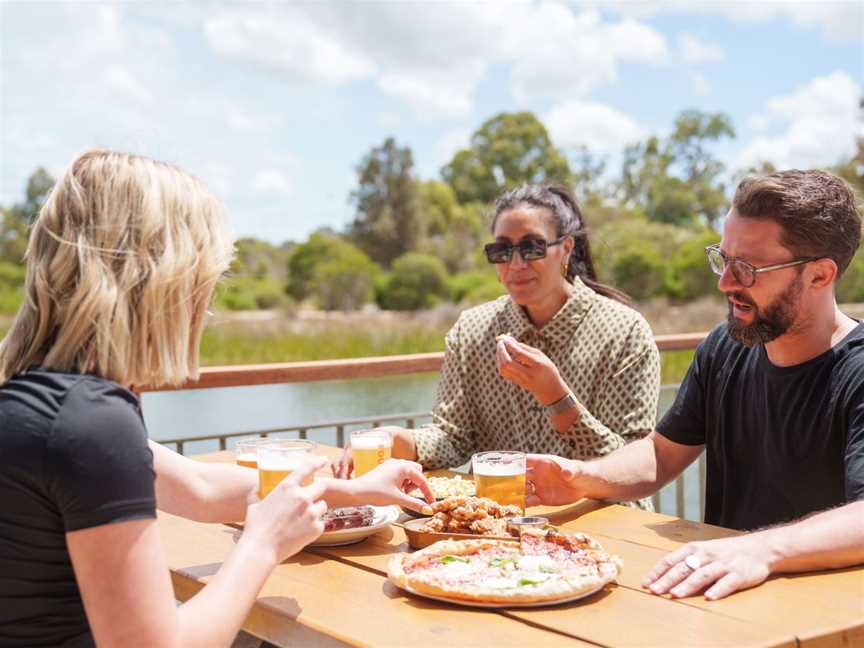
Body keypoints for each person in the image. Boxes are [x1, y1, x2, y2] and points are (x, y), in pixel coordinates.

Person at [0, 149, 433, 647]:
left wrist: (353, 492)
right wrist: (262, 545)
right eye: (206, 281)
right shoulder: (92, 423)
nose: (204, 308)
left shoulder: (37, 397)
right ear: (165, 282)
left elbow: (199, 487)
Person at [526, 169, 864, 600]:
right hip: (720, 597)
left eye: (748, 268)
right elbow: (660, 453)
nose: (725, 282)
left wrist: (761, 548)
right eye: (724, 259)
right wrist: (582, 479)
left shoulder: (857, 372)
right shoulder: (724, 347)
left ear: (819, 275)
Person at [335, 184, 660, 509]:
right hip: (496, 527)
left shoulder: (625, 332)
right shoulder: (473, 330)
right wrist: (399, 440)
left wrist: (557, 399)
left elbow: (633, 468)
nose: (515, 264)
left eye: (532, 248)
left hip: (605, 524)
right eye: (502, 251)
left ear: (566, 249)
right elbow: (453, 438)